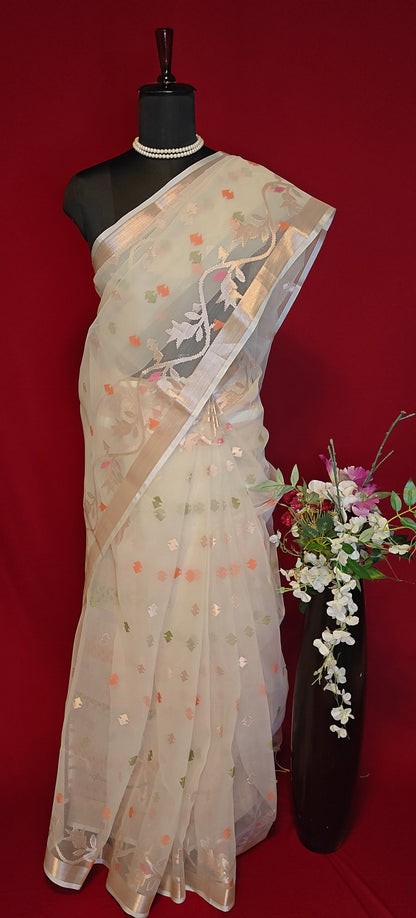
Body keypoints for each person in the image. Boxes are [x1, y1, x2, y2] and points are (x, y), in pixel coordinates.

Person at [44, 32, 335, 917]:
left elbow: (228, 349)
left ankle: (205, 813)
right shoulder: (87, 192)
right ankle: (135, 810)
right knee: (138, 629)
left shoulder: (252, 201)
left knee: (216, 633)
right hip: (139, 471)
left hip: (218, 464)